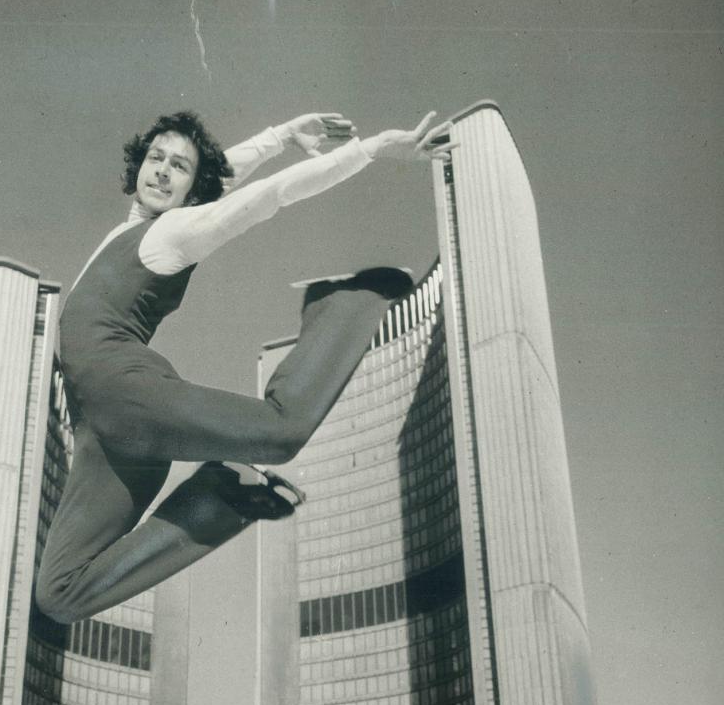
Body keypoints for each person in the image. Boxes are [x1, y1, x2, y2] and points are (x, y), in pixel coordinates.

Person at [35, 109, 451, 626]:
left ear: (192, 190)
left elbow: (266, 197)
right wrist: (278, 137)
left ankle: (343, 303)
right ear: (139, 167)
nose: (163, 171)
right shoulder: (131, 227)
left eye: (178, 168)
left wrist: (368, 150)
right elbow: (218, 171)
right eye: (156, 159)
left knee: (282, 431)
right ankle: (219, 496)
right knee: (59, 594)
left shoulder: (173, 232)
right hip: (99, 433)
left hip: (128, 396)